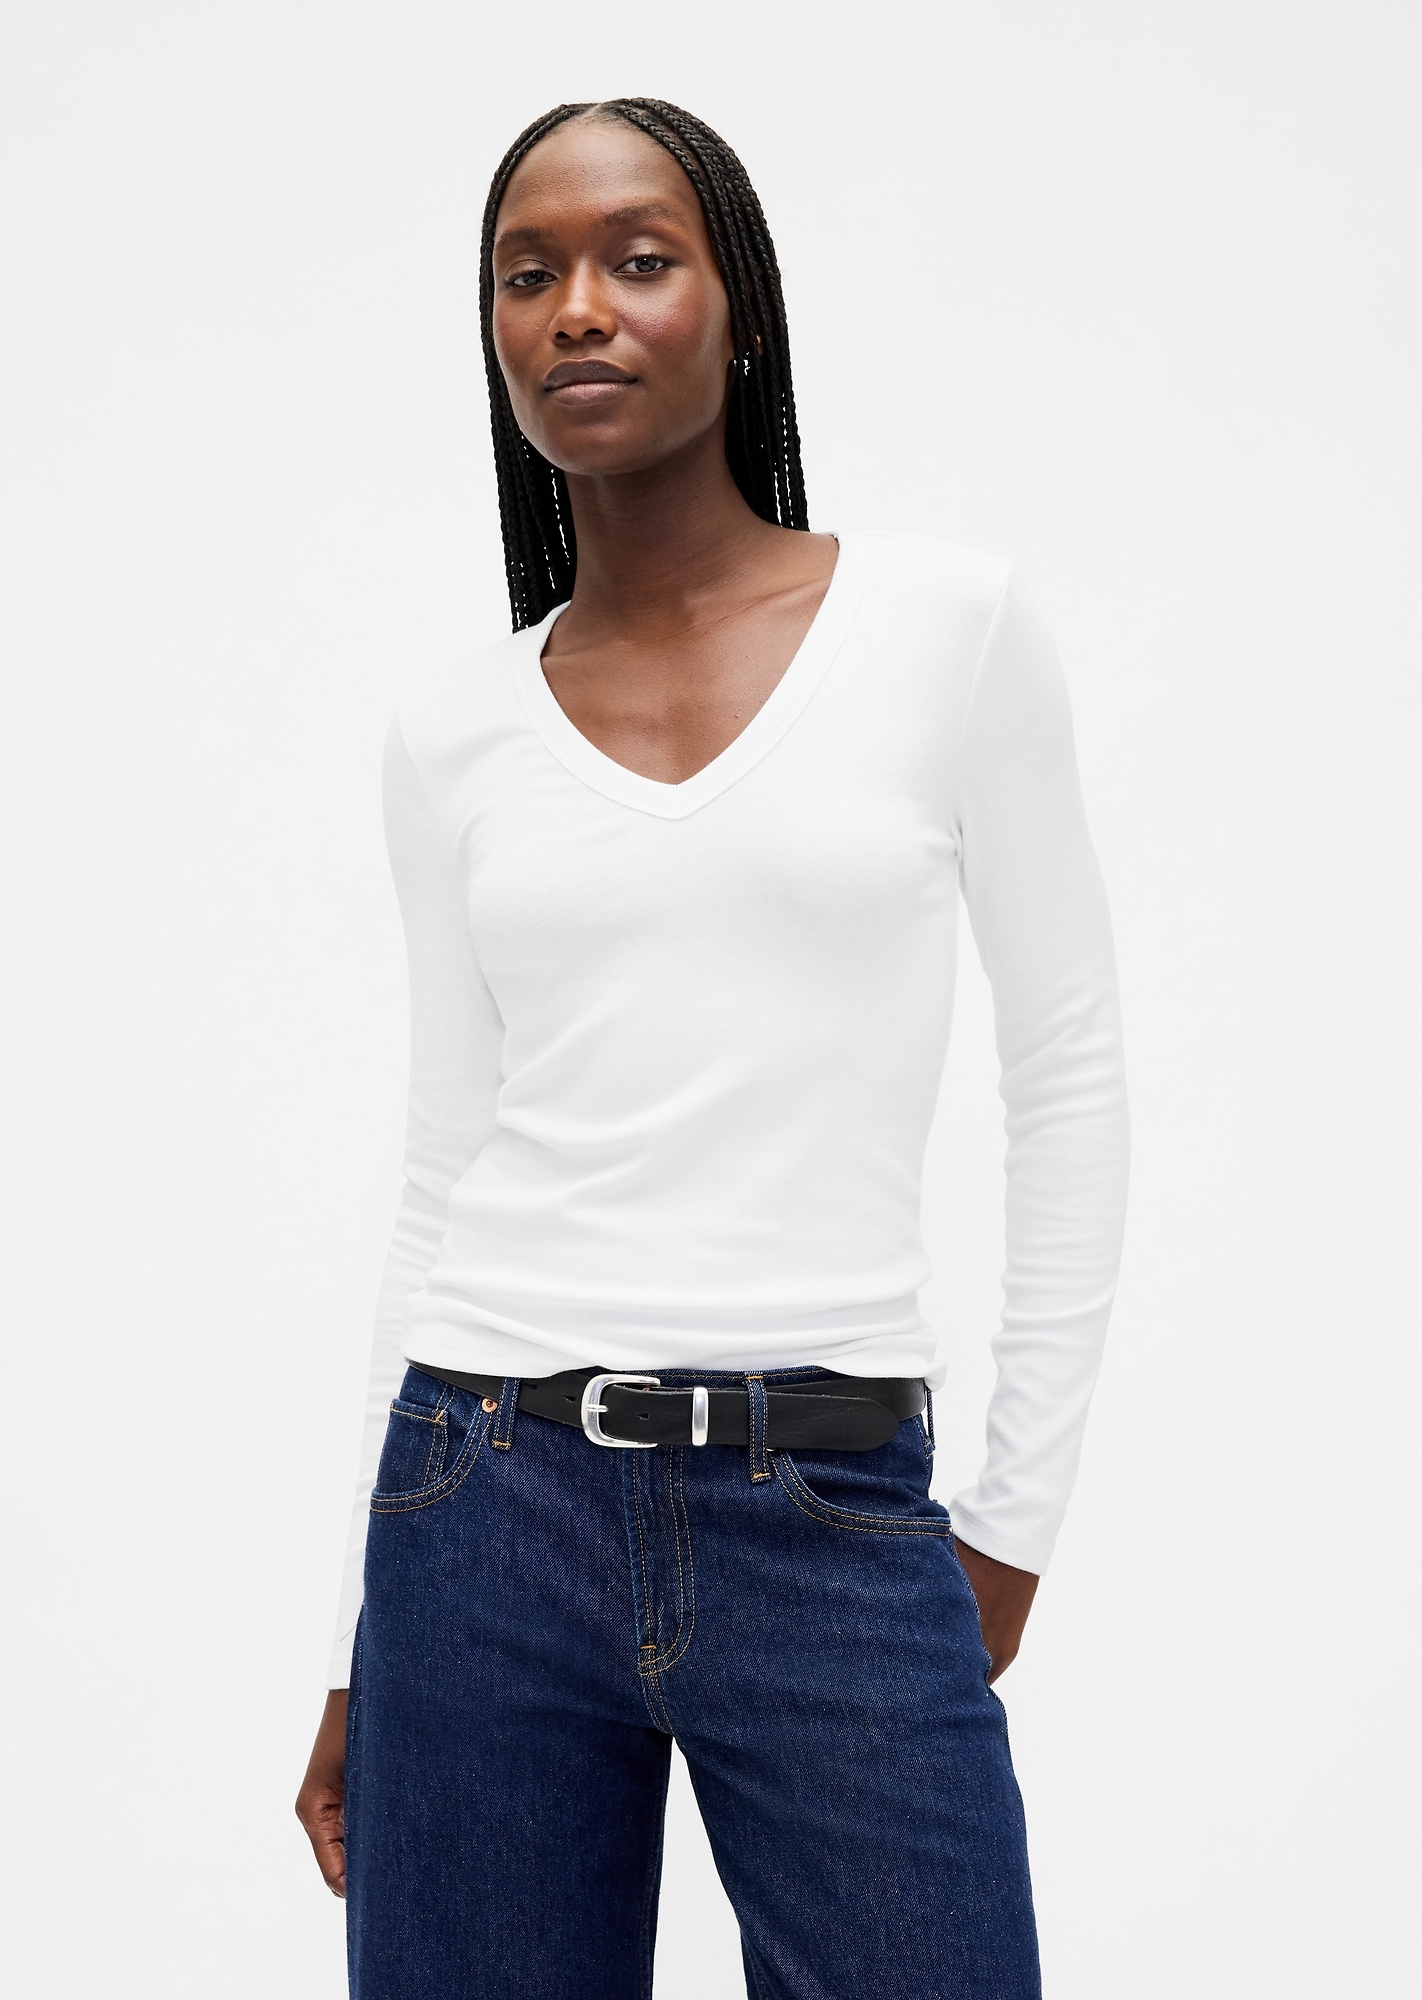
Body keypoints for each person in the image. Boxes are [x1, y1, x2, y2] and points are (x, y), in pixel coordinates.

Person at [295, 97, 1128, 2000]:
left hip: (829, 1503)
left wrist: (1007, 1528)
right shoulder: (452, 733)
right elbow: (446, 1158)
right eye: (530, 274)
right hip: (479, 1504)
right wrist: (360, 1631)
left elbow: (1071, 1078)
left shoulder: (949, 630)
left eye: (639, 259)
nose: (579, 308)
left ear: (739, 309)